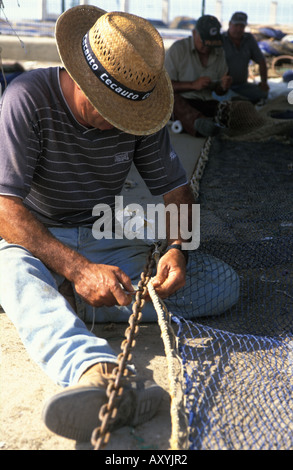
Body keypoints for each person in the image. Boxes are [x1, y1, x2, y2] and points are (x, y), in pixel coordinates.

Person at [0, 6, 239, 443]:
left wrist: (176, 250)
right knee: (12, 269)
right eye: (109, 110)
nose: (119, 124)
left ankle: (60, 305)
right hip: (35, 239)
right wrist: (77, 269)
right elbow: (5, 209)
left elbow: (177, 195)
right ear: (80, 78)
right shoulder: (26, 98)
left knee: (223, 284)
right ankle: (98, 371)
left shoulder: (138, 115)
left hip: (102, 233)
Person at [165, 15, 232, 137]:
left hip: (206, 103)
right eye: (203, 42)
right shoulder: (178, 50)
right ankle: (199, 124)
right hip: (183, 103)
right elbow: (164, 87)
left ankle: (205, 124)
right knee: (172, 99)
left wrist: (223, 86)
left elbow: (220, 92)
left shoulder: (219, 52)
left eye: (210, 43)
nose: (206, 47)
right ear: (194, 33)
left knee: (235, 107)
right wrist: (193, 85)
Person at [222, 12, 269, 104]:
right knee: (231, 99)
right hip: (222, 87)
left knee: (263, 93)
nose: (239, 29)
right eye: (236, 25)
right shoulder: (220, 39)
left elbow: (261, 60)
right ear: (229, 24)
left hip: (242, 85)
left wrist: (264, 82)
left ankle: (242, 101)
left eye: (242, 26)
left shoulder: (249, 39)